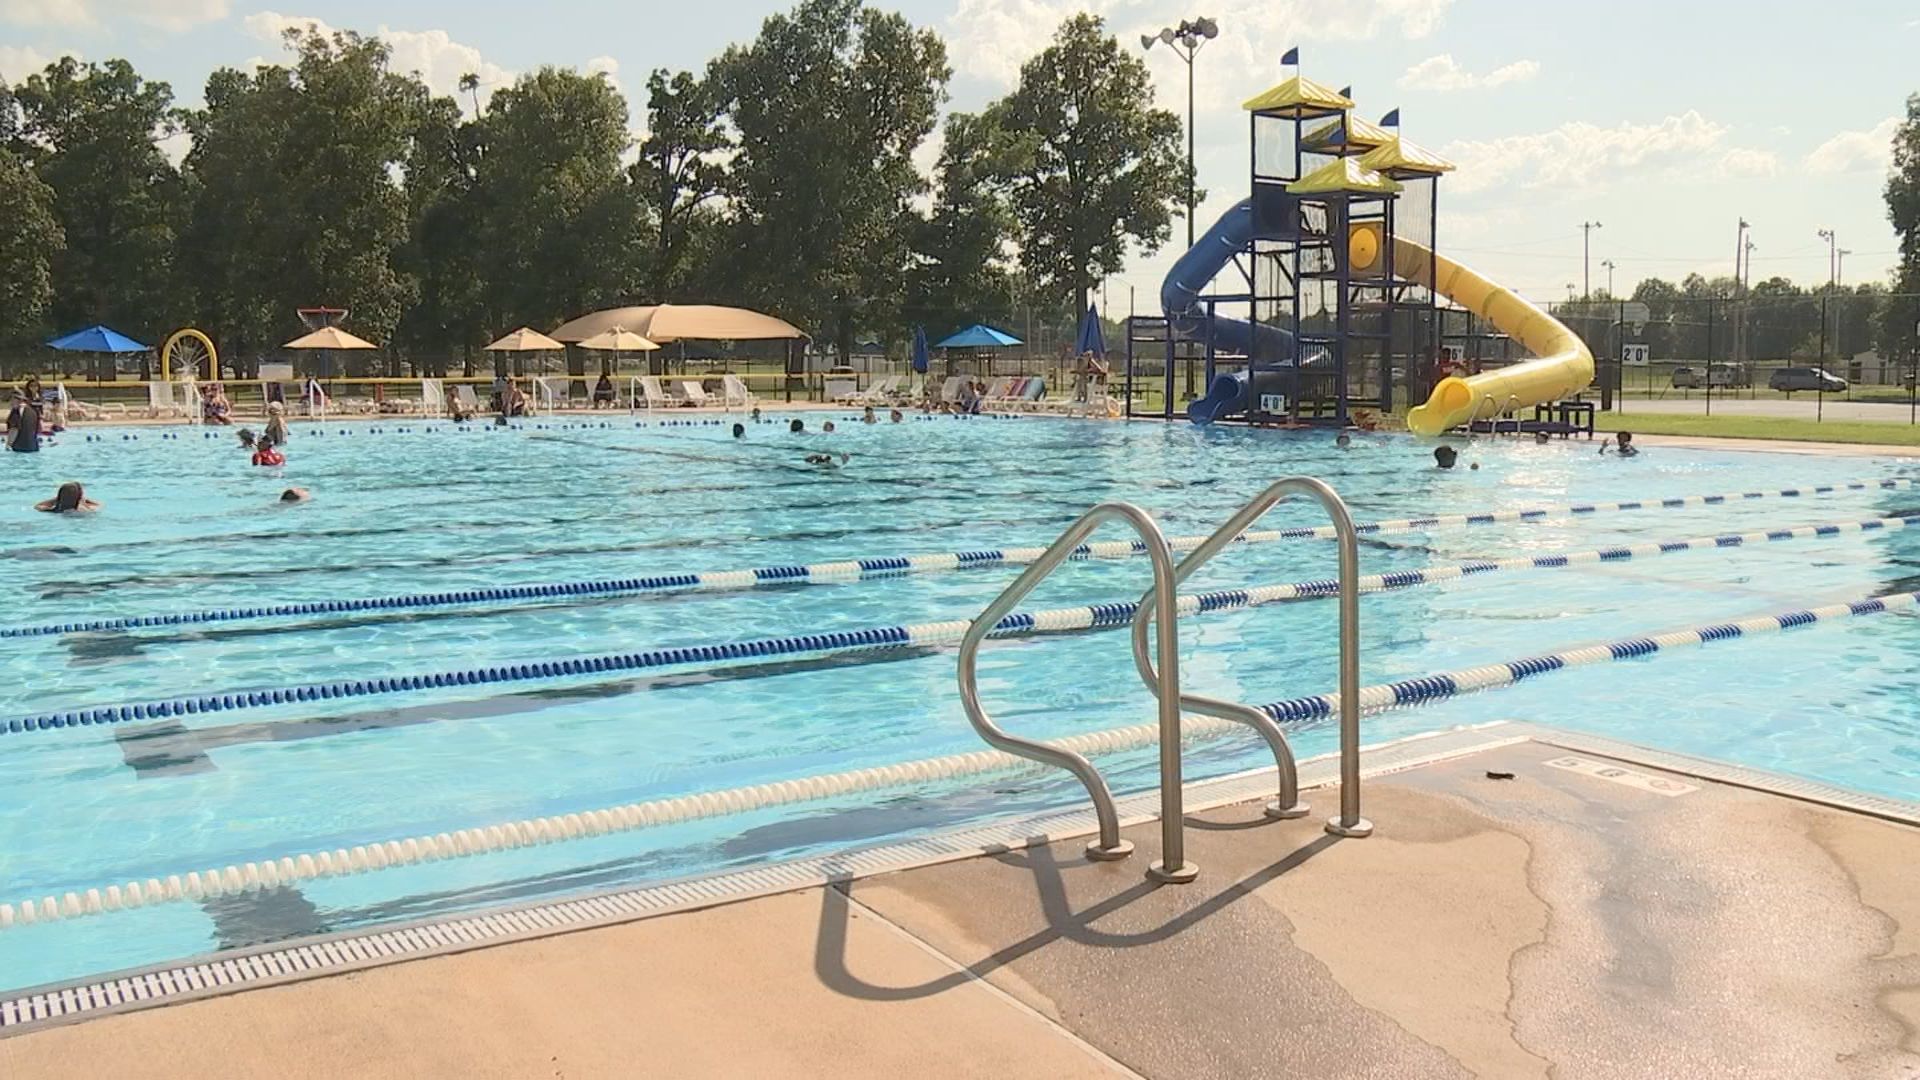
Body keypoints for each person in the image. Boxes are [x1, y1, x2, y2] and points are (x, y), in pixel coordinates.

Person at [35, 481, 100, 513]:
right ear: (80, 496)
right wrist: (82, 501)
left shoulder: (52, 510)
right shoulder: (82, 510)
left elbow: (38, 506)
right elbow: (98, 506)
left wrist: (57, 499)